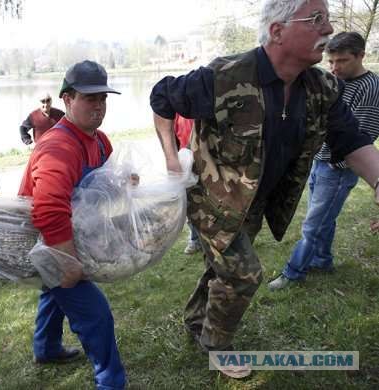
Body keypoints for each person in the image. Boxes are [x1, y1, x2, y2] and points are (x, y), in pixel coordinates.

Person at [150, 0, 379, 378]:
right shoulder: (223, 76)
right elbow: (161, 97)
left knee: (223, 266)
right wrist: (171, 158)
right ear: (277, 31)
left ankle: (195, 318)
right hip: (211, 200)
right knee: (243, 273)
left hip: (254, 201)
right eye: (317, 19)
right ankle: (217, 346)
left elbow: (350, 139)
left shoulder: (323, 87)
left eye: (328, 19)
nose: (328, 29)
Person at [19, 60, 126, 389]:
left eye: (103, 98)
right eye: (89, 98)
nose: (98, 105)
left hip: (68, 231)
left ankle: (46, 348)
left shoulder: (99, 140)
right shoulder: (58, 145)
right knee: (94, 313)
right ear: (66, 99)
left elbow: (103, 183)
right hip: (42, 238)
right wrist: (67, 261)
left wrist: (124, 182)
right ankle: (111, 381)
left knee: (55, 293)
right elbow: (49, 210)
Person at [270, 31, 379, 290]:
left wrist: (335, 164)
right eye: (330, 61)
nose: (334, 67)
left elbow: (362, 134)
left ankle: (293, 272)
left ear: (360, 56)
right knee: (323, 217)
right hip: (320, 160)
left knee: (313, 222)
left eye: (341, 61)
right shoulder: (332, 80)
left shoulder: (370, 88)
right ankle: (322, 260)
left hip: (340, 168)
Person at [174, 113, 202, 255]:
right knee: (189, 204)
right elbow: (174, 139)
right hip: (186, 164)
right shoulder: (176, 113)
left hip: (204, 163)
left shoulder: (200, 107)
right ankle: (195, 238)